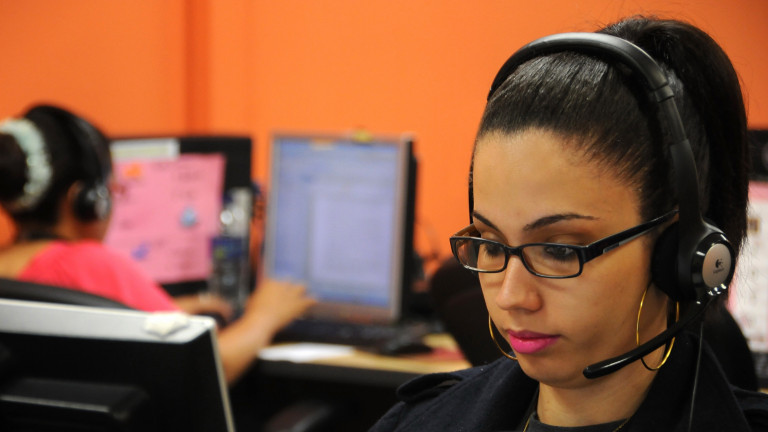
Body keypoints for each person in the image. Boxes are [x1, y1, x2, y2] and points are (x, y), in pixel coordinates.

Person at [371, 16, 768, 432]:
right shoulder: (416, 423)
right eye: (490, 244)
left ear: (680, 255)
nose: (511, 297)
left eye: (559, 250)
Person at [0, 104, 315, 385]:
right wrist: (264, 316)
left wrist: (171, 310)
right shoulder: (89, 264)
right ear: (88, 200)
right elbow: (209, 367)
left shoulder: (9, 268)